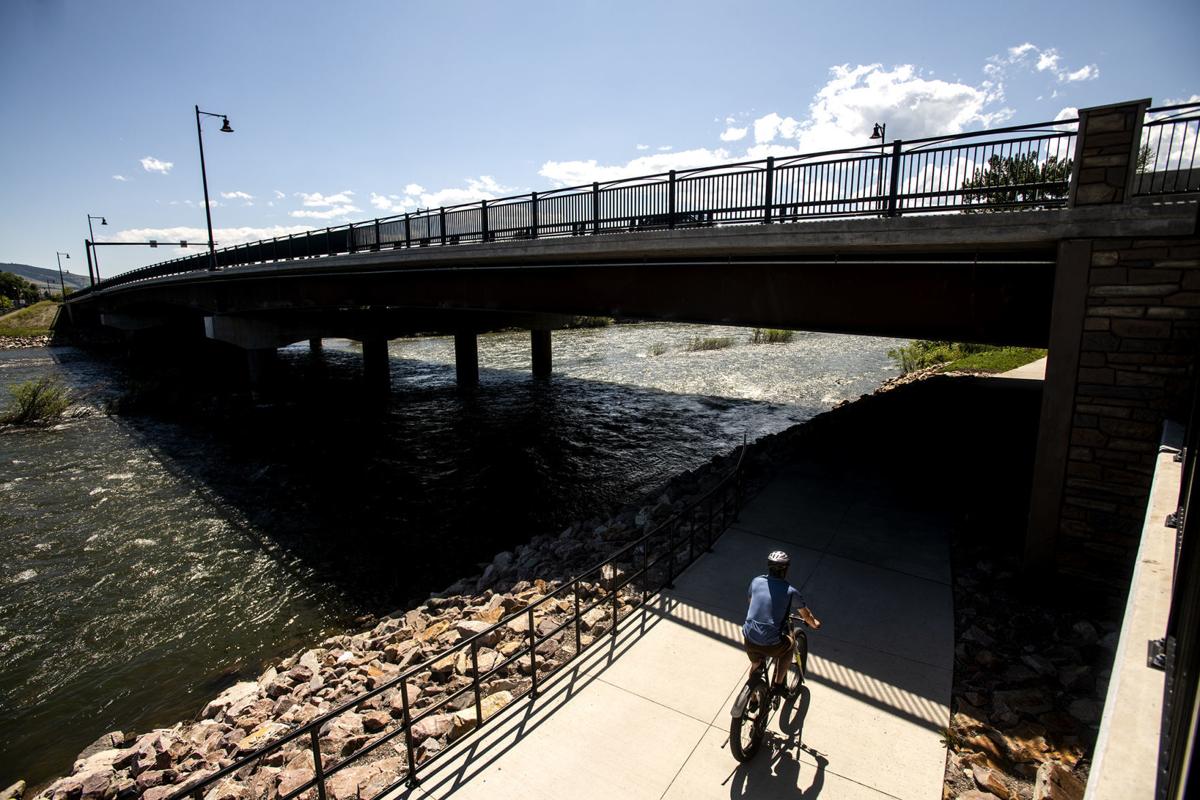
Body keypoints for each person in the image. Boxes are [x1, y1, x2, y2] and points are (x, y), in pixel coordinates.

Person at [743, 550, 821, 695]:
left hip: (749, 638)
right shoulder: (790, 592)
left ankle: (752, 699)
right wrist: (814, 623)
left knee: (756, 664)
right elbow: (806, 615)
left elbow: (751, 601)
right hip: (771, 643)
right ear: (785, 570)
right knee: (790, 646)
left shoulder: (756, 581)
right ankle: (778, 685)